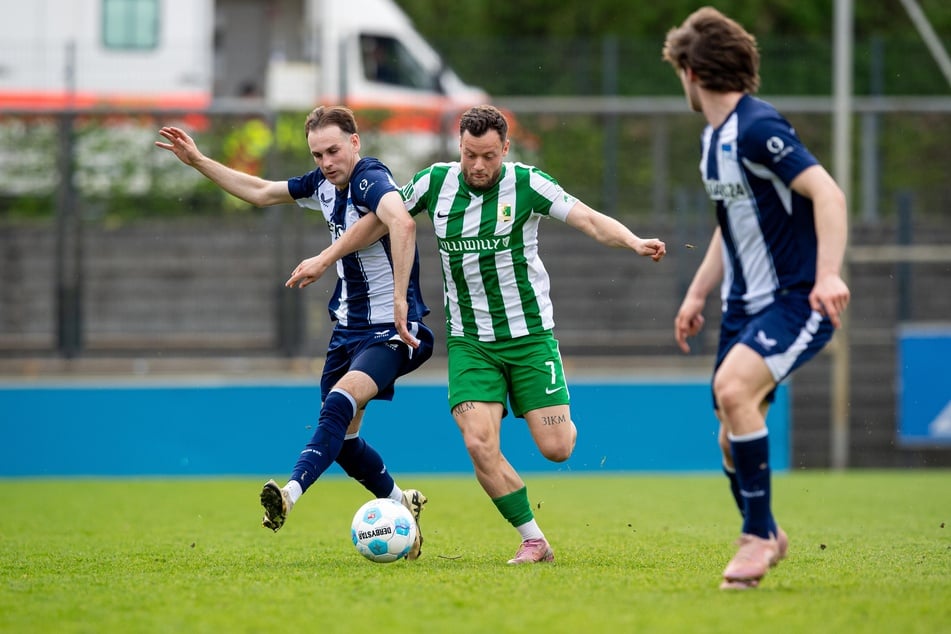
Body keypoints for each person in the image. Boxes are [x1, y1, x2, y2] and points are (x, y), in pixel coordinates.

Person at [155, 105, 434, 559]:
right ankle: (402, 502)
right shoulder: (323, 185)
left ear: (355, 143)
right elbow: (262, 191)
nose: (326, 162)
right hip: (347, 332)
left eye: (334, 150)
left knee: (340, 401)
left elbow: (401, 221)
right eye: (318, 154)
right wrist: (200, 161)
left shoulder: (369, 178)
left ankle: (289, 493)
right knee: (341, 439)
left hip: (394, 330)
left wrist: (399, 298)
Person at [399, 104, 666, 564]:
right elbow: (384, 218)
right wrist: (328, 256)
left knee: (557, 449)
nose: (478, 166)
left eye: (488, 156)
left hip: (529, 338)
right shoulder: (432, 183)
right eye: (469, 155)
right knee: (479, 443)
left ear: (505, 148)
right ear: (458, 148)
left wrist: (634, 241)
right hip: (469, 341)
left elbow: (588, 219)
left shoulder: (527, 183)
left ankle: (548, 408)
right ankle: (533, 539)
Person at [662, 7, 851, 589]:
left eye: (678, 72)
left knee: (733, 389)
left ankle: (757, 536)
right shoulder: (713, 139)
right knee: (728, 429)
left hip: (796, 298)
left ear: (692, 71)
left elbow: (827, 192)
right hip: (744, 307)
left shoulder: (757, 127)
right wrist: (697, 293)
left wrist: (828, 275)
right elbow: (733, 222)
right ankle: (765, 530)